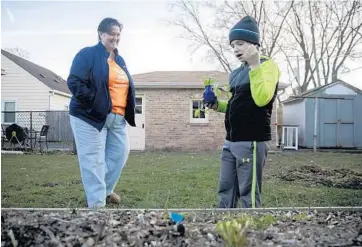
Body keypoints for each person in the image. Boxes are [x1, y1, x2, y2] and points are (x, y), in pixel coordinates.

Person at [203, 16, 280, 208]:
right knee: (225, 188)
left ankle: (252, 230)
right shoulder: (236, 73)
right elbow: (235, 105)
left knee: (248, 191)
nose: (236, 49)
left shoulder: (268, 66)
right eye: (233, 45)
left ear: (254, 44)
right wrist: (216, 105)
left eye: (240, 43)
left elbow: (262, 99)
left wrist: (255, 65)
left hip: (251, 140)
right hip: (230, 141)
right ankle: (225, 227)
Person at [67, 17, 136, 208]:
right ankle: (97, 206)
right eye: (111, 34)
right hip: (89, 116)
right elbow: (74, 82)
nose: (115, 38)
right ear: (100, 34)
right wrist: (97, 103)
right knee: (93, 160)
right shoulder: (87, 54)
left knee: (120, 155)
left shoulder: (119, 60)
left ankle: (104, 191)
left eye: (118, 34)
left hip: (117, 118)